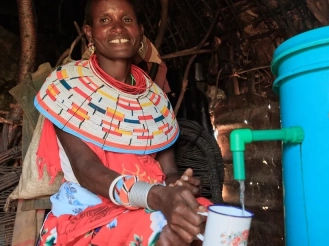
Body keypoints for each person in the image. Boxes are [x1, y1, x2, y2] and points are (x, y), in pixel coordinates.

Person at [34, 0, 211, 245]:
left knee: (209, 218)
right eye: (105, 20)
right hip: (89, 211)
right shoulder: (67, 88)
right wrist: (158, 197)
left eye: (127, 20)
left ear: (140, 31)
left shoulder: (155, 100)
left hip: (152, 199)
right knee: (163, 231)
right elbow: (88, 171)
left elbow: (168, 171)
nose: (118, 28)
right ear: (89, 33)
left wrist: (179, 186)